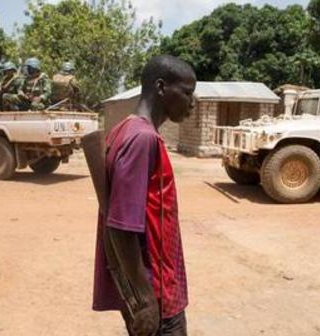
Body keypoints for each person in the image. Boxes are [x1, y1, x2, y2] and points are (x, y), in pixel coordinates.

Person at [92, 55, 196, 336]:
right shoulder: (141, 139)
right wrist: (146, 299)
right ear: (161, 88)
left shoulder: (125, 129)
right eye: (187, 93)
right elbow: (121, 225)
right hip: (157, 292)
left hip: (156, 287)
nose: (192, 102)